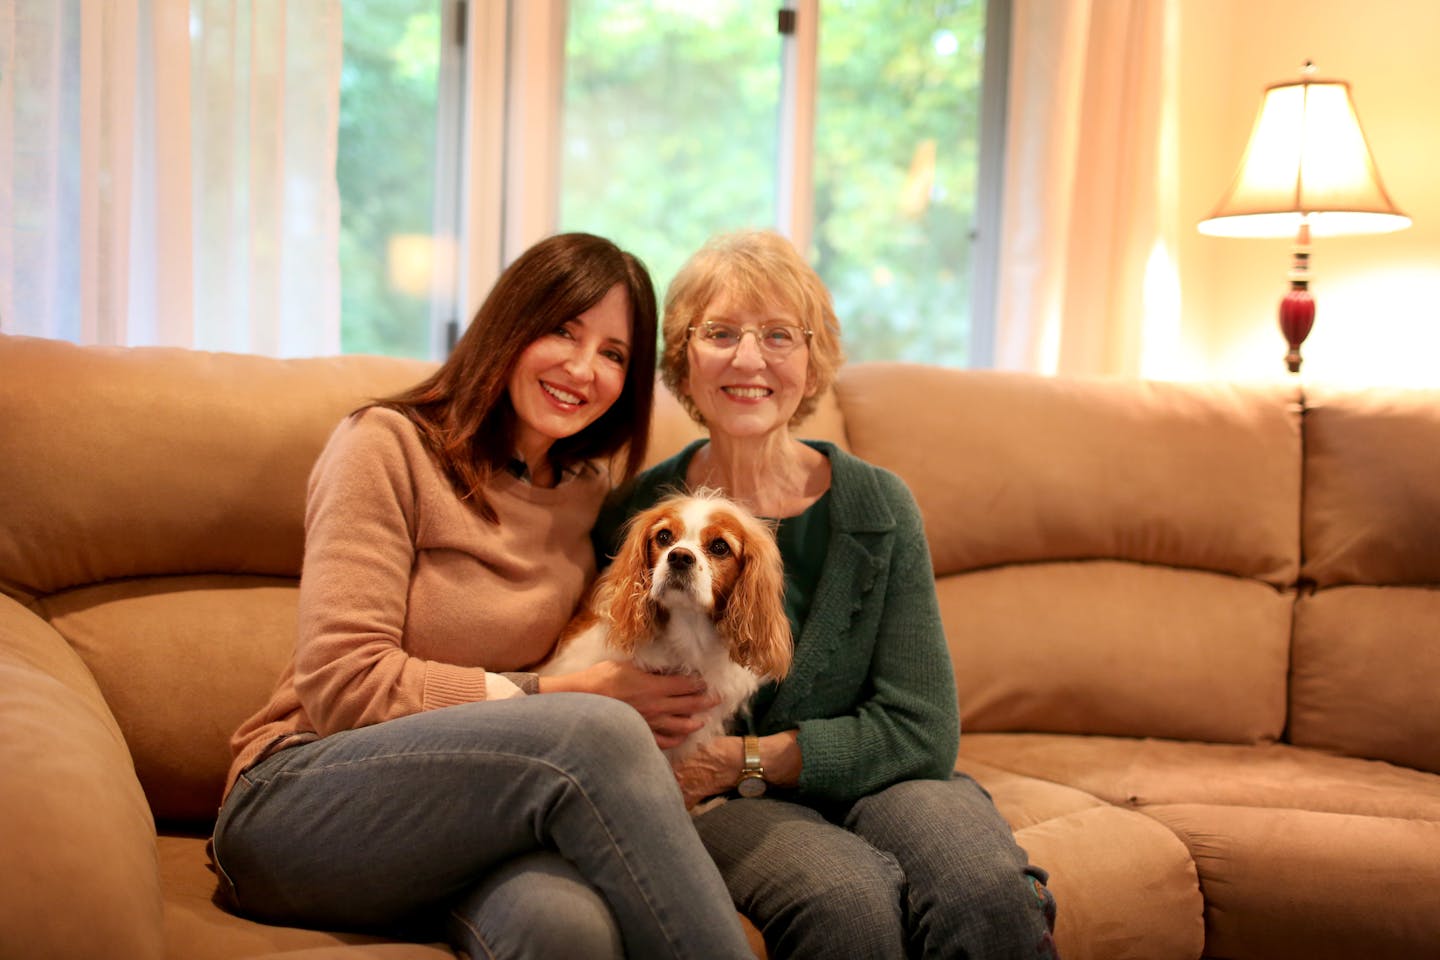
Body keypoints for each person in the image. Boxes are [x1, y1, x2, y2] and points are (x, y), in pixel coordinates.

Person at [210, 232, 756, 960]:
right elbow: (342, 683)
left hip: (464, 828)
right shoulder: (385, 446)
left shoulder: (588, 495)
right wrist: (546, 697)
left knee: (568, 930)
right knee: (595, 729)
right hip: (303, 803)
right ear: (510, 324)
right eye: (562, 330)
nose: (582, 368)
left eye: (614, 354)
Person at [594, 229, 1060, 959]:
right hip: (714, 801)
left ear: (812, 364)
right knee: (843, 898)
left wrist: (758, 757)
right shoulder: (643, 520)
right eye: (720, 333)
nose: (750, 359)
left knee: (986, 890)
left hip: (883, 779)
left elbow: (923, 729)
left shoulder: (877, 508)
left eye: (779, 335)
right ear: (684, 356)